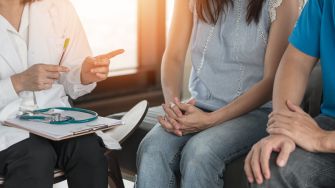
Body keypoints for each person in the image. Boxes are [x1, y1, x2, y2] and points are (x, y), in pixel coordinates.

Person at [136, 0, 304, 187]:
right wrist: (174, 109)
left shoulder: (282, 3)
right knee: (152, 148)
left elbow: (272, 80)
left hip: (257, 112)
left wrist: (211, 120)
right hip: (200, 105)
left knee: (199, 154)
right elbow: (173, 56)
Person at [0, 0, 124, 187]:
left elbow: (69, 71)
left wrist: (83, 74)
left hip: (54, 117)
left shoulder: (58, 7)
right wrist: (18, 82)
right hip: (5, 126)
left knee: (88, 151)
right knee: (34, 159)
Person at [244, 0, 335, 187]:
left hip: (327, 137)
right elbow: (296, 61)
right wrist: (284, 130)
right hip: (330, 122)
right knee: (270, 167)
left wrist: (322, 140)